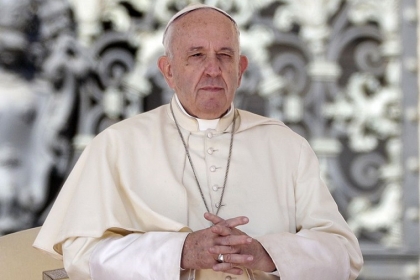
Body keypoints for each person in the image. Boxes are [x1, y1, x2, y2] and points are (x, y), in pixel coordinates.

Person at [33, 3, 363, 280]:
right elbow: (80, 257)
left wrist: (269, 253)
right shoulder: (117, 144)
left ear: (241, 69)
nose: (213, 69)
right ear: (168, 71)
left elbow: (343, 254)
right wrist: (181, 252)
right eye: (196, 55)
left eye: (224, 55)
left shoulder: (286, 145)